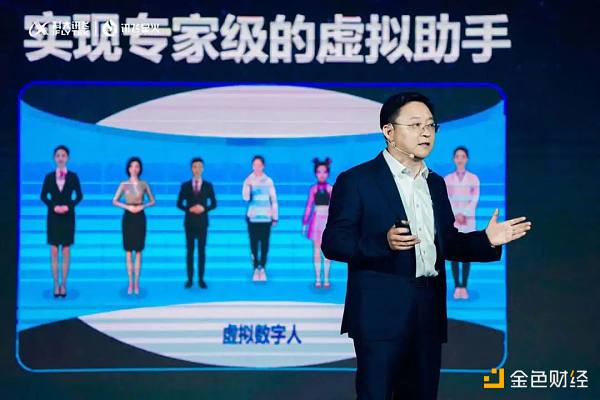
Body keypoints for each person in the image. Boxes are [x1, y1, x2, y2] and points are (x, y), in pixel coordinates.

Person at [321, 92, 532, 399]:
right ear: (389, 131)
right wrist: (383, 242)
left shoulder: (435, 183)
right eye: (415, 125)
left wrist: (486, 240)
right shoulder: (357, 181)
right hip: (379, 316)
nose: (425, 133)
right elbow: (333, 242)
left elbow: (446, 243)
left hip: (427, 313)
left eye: (431, 125)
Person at [40, 145, 83, 298]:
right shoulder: (49, 177)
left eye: (63, 155)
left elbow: (79, 196)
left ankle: (63, 284)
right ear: (54, 158)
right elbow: (43, 196)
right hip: (53, 217)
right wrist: (54, 206)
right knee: (53, 251)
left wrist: (68, 206)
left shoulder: (73, 176)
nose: (60, 158)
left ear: (67, 158)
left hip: (68, 217)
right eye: (58, 155)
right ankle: (55, 284)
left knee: (65, 250)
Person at [112, 157, 155, 295]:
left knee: (139, 251)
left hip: (140, 217)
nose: (134, 168)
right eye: (132, 166)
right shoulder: (124, 184)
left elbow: (153, 201)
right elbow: (114, 200)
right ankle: (130, 282)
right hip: (128, 217)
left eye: (137, 166)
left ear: (140, 168)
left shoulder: (144, 184)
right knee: (128, 251)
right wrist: (128, 207)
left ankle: (137, 283)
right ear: (128, 168)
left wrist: (143, 206)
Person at [444, 146, 480, 300]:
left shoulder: (474, 179)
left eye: (463, 157)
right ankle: (457, 286)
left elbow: (474, 200)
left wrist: (464, 214)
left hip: (468, 221)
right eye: (457, 156)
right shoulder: (447, 179)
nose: (460, 159)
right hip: (454, 222)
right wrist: (456, 215)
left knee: (466, 254)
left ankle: (464, 287)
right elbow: (446, 200)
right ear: (454, 159)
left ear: (467, 159)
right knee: (454, 254)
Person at [176, 157, 217, 289]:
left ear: (203, 168)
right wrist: (189, 209)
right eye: (194, 167)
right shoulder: (185, 186)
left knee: (201, 251)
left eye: (199, 166)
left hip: (202, 223)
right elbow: (179, 203)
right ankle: (189, 279)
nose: (197, 169)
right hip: (189, 223)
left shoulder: (208, 185)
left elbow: (214, 204)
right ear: (191, 169)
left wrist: (204, 208)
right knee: (190, 251)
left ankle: (201, 279)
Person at [242, 155, 278, 282]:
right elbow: (245, 198)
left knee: (264, 245)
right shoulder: (248, 180)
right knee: (253, 244)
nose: (257, 167)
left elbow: (274, 200)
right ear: (252, 166)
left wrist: (275, 217)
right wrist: (248, 185)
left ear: (263, 166)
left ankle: (262, 268)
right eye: (255, 165)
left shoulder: (269, 181)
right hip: (253, 218)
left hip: (266, 218)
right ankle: (255, 269)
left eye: (259, 165)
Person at [302, 157, 333, 288]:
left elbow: (335, 207)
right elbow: (309, 206)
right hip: (316, 220)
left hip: (327, 221)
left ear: (328, 173)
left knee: (327, 250)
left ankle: (326, 278)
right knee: (316, 250)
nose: (321, 174)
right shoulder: (313, 189)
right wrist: (304, 222)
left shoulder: (331, 189)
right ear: (315, 173)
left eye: (324, 172)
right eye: (319, 172)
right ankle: (318, 279)